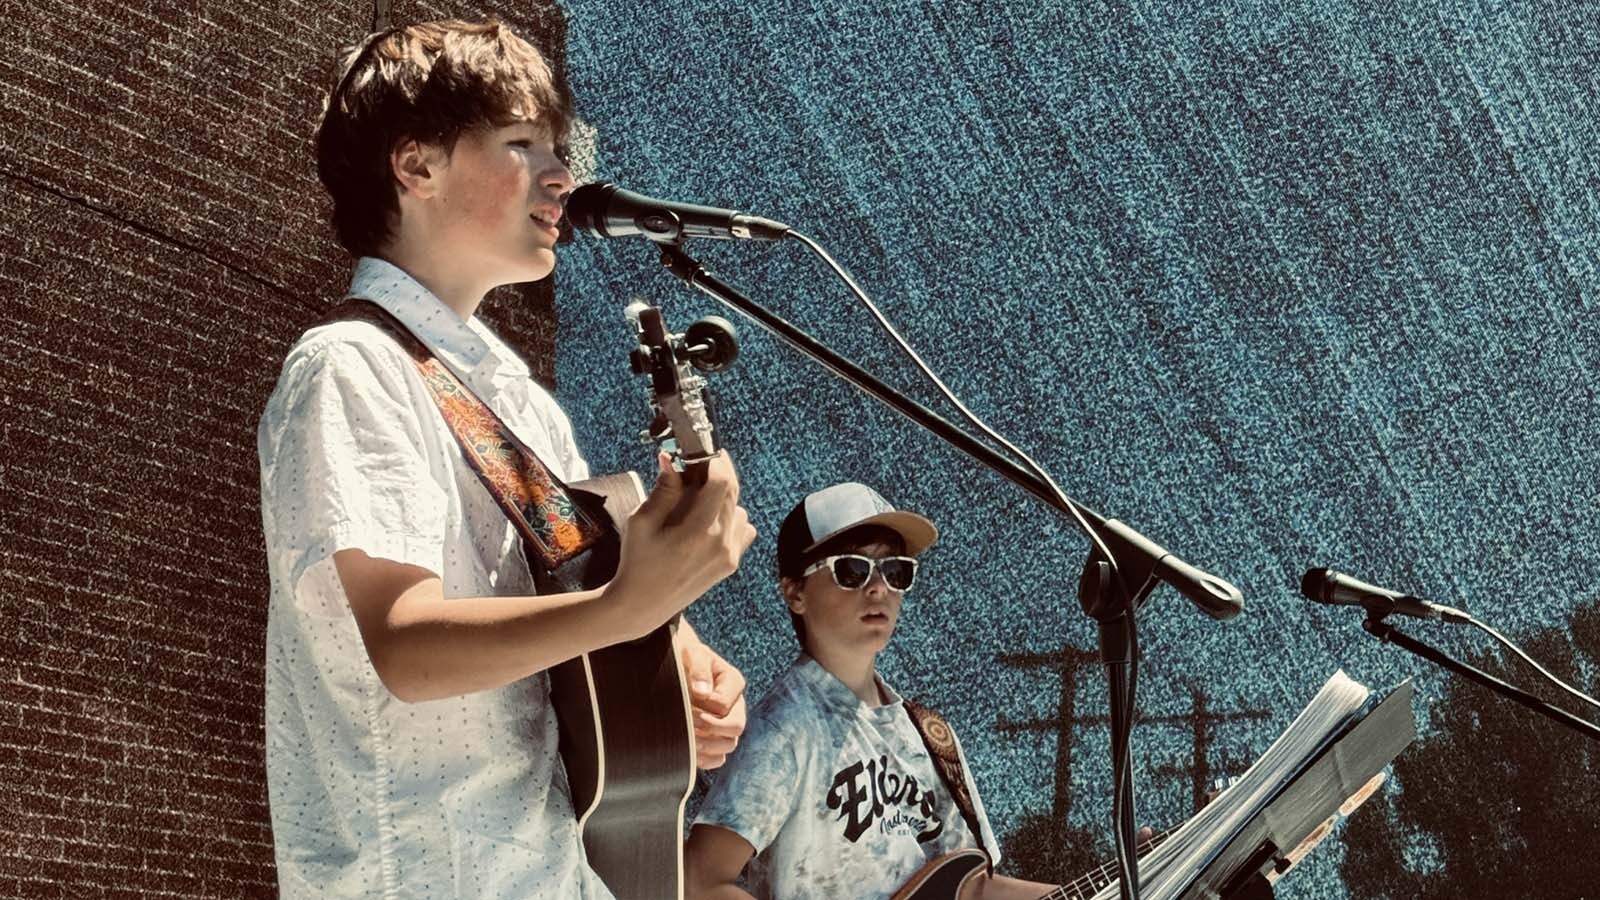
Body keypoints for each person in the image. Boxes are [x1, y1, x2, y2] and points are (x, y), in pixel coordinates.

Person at [257, 20, 754, 898]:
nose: (563, 177)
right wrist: (629, 604)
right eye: (523, 144)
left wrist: (678, 653)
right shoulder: (351, 368)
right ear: (415, 166)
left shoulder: (517, 404)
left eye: (560, 149)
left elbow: (588, 614)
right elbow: (407, 648)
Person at [684, 482, 1059, 900]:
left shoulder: (930, 736)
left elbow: (973, 889)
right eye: (852, 569)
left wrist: (1119, 888)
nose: (878, 587)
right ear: (795, 594)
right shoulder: (785, 729)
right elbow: (699, 880)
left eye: (895, 570)